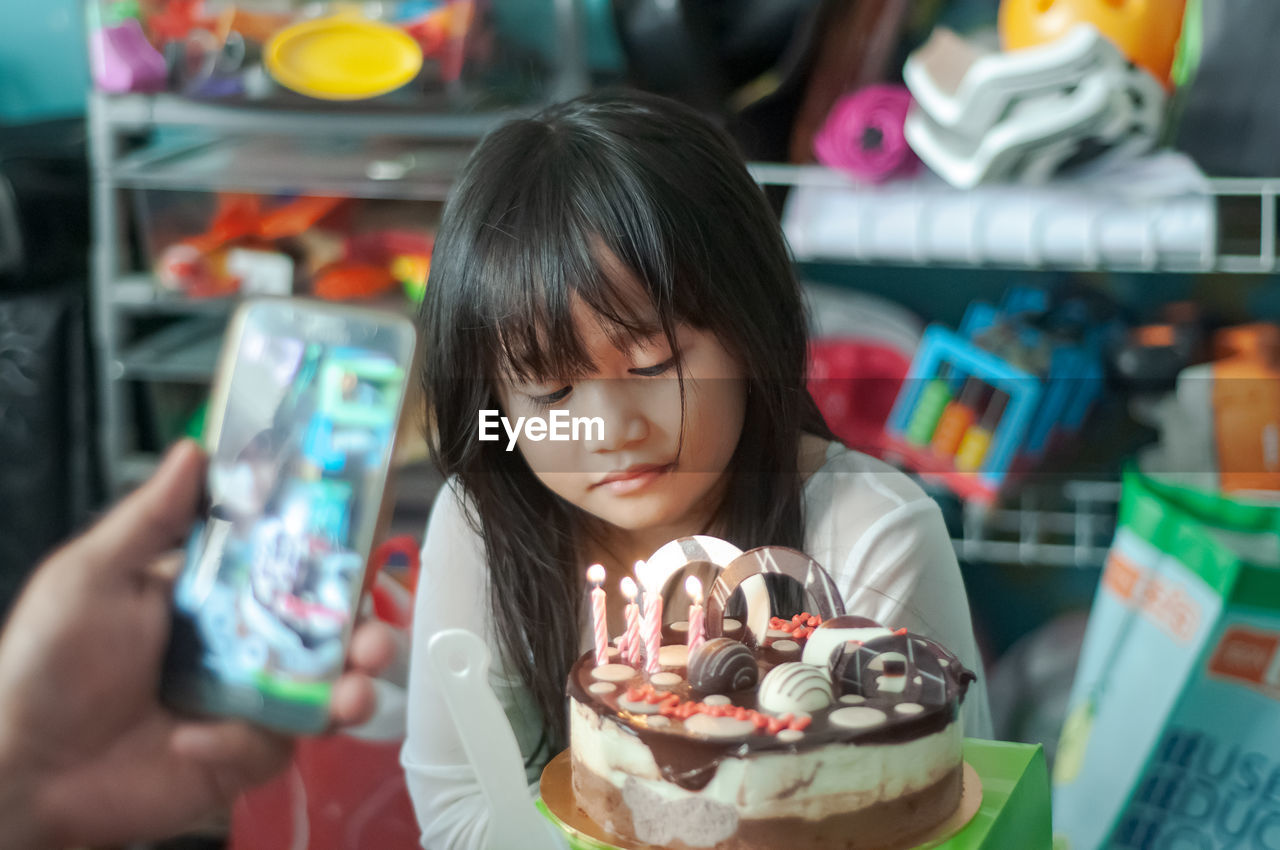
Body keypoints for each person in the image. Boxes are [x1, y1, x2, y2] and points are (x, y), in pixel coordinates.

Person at [403, 90, 994, 849]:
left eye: (653, 364)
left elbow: (915, 815)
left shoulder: (872, 534)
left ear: (752, 329)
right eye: (550, 391)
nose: (612, 431)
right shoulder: (483, 515)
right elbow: (457, 814)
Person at [0, 439, 398, 850]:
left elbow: (473, 426)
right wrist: (27, 783)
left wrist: (28, 786)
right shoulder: (224, 554)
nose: (255, 482)